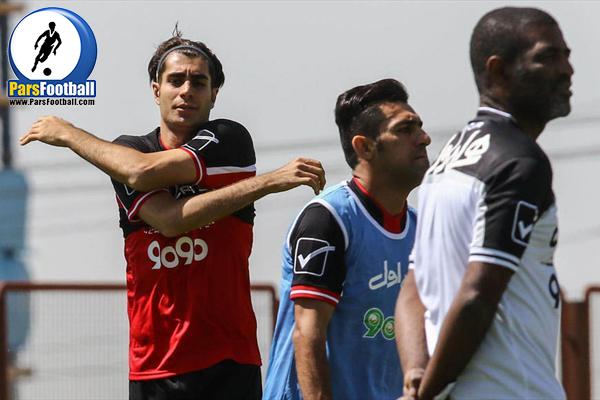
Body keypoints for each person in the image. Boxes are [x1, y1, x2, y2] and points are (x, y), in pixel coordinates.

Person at [20, 31, 325, 400]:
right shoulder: (127, 153)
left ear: (214, 94)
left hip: (230, 360)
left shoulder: (229, 139)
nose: (186, 91)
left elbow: (156, 191)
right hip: (155, 365)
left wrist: (72, 136)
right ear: (156, 90)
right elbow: (167, 215)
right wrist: (69, 133)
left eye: (199, 82)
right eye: (176, 80)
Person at [395, 7, 572, 400]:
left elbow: (413, 286)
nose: (566, 70)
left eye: (566, 55)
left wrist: (417, 374)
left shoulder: (446, 159)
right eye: (547, 56)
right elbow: (478, 296)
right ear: (498, 71)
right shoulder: (519, 160)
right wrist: (427, 393)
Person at [263, 79, 431, 400]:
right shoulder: (328, 219)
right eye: (405, 129)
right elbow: (307, 334)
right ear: (364, 147)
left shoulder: (422, 229)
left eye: (419, 127)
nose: (424, 138)